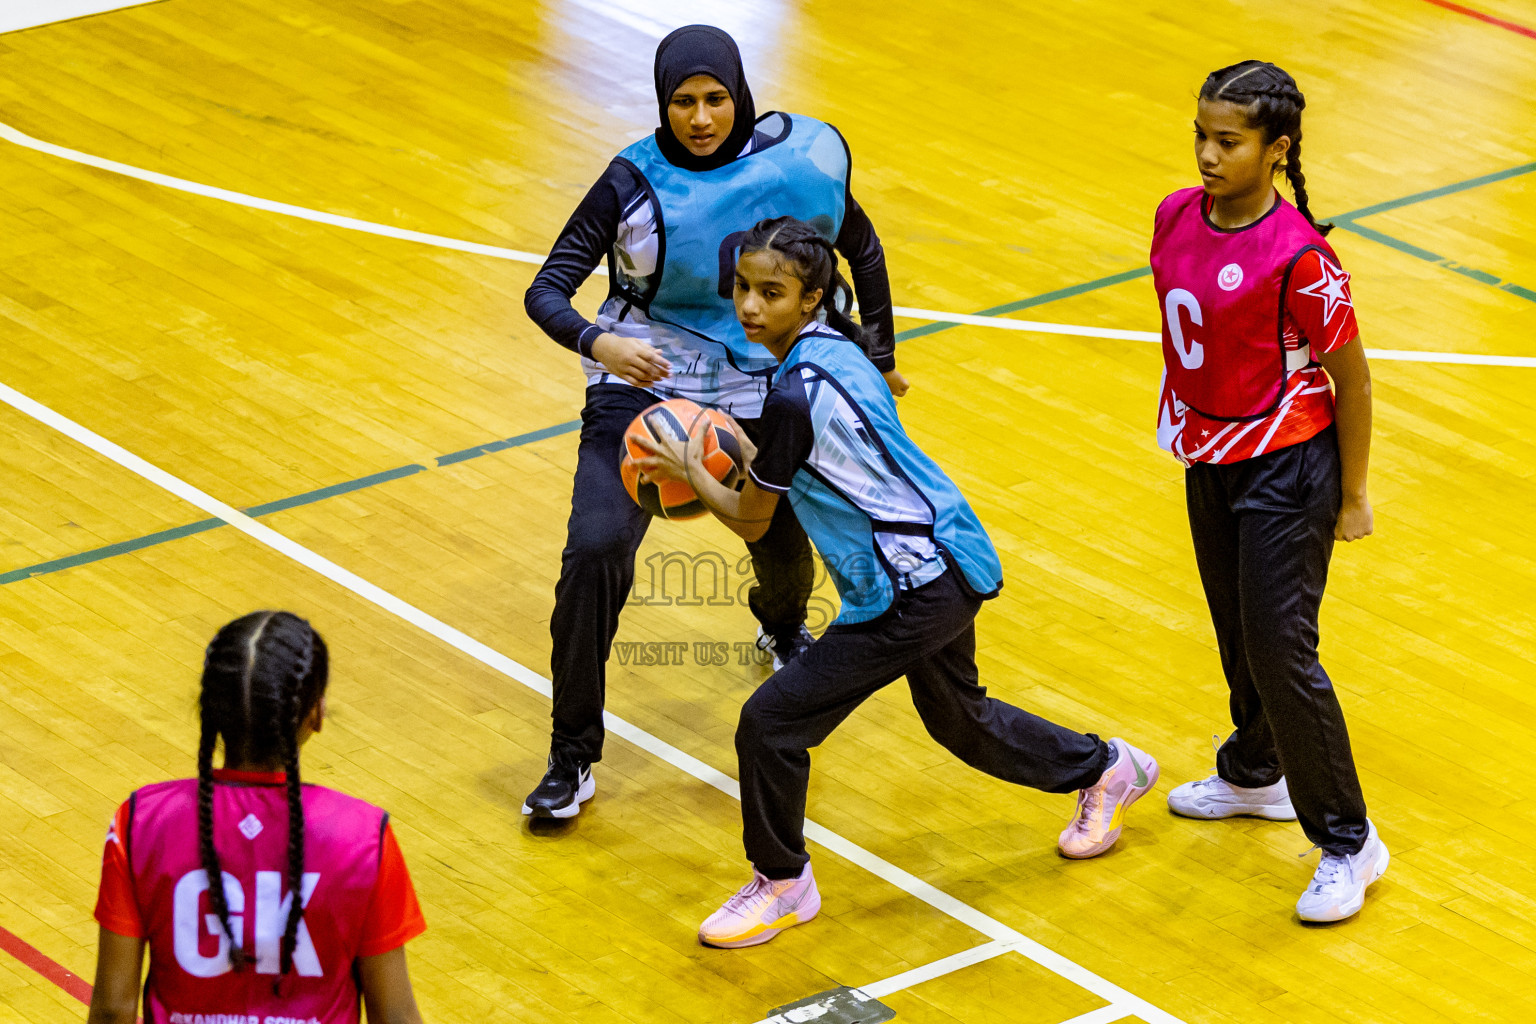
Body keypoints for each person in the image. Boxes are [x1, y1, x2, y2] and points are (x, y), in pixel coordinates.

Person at [633, 216, 1158, 948]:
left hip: (912, 589)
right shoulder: (831, 352)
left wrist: (693, 471)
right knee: (959, 720)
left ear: (810, 297)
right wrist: (735, 447)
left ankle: (782, 884)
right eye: (744, 289)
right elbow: (800, 467)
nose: (751, 306)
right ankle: (1107, 768)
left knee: (770, 724)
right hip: (946, 551)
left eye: (772, 293)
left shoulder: (790, 396)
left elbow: (753, 521)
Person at [521, 24, 907, 820]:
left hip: (760, 376)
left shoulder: (798, 162)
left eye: (716, 99)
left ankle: (781, 626)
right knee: (594, 550)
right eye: (683, 102)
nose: (700, 117)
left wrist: (879, 349)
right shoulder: (632, 179)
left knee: (780, 538)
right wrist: (603, 342)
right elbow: (547, 289)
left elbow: (860, 249)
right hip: (646, 379)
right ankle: (571, 755)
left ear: (741, 95)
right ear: (663, 105)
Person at [1151, 60, 1386, 923]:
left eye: (1229, 141)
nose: (1209, 156)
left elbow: (1352, 382)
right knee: (1237, 629)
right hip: (1210, 456)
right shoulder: (1175, 215)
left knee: (1284, 649)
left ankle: (1349, 842)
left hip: (1291, 467)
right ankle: (1256, 773)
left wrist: (1352, 494)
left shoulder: (1302, 259)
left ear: (1276, 149)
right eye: (1202, 137)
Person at [87, 612, 427, 1024]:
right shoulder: (363, 835)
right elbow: (394, 1016)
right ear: (316, 715)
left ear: (208, 710)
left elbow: (112, 1008)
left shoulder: (142, 820)